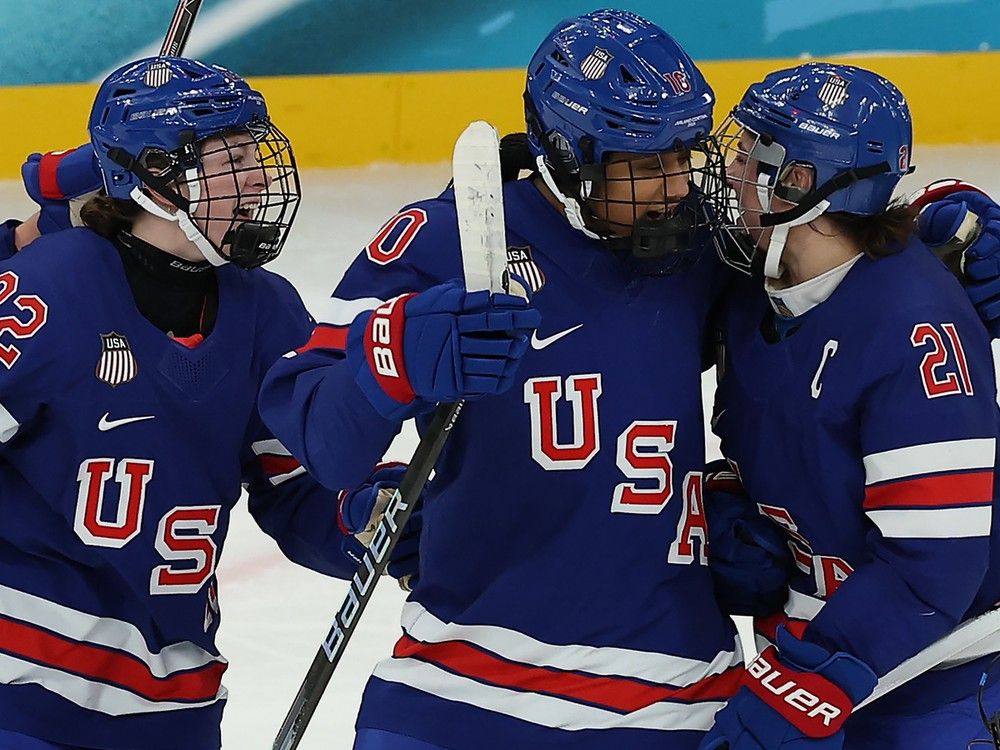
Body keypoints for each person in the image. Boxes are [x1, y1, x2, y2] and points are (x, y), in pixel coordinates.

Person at [260, 9, 746, 750]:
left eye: (685, 154)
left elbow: (845, 294)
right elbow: (319, 435)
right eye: (647, 164)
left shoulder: (702, 245)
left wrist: (937, 245)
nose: (678, 185)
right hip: (456, 685)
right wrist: (393, 361)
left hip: (671, 695)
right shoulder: (437, 242)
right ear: (570, 152)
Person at [0, 55, 417, 750]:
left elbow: (299, 493)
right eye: (228, 156)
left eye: (254, 150)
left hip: (176, 707)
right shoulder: (49, 291)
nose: (256, 174)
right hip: (24, 690)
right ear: (156, 180)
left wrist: (375, 516)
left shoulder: (268, 312)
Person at [700, 62, 1000, 750]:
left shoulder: (913, 329)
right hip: (830, 648)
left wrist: (815, 680)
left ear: (801, 184)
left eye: (753, 154)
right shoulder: (761, 287)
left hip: (945, 670)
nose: (733, 169)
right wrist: (735, 503)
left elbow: (933, 570)